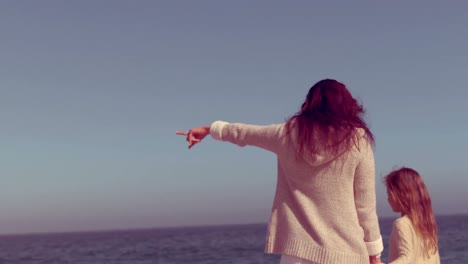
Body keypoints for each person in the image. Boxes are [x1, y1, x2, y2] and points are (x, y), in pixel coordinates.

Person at [177, 79, 384, 264]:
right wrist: (374, 252)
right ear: (347, 106)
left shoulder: (286, 134)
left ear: (309, 105)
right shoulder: (359, 142)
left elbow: (244, 133)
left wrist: (208, 129)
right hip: (345, 253)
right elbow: (365, 206)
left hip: (297, 253)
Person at [385, 167, 441, 264]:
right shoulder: (427, 225)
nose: (388, 198)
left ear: (401, 194)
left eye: (389, 193)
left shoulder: (401, 224)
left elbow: (407, 258)